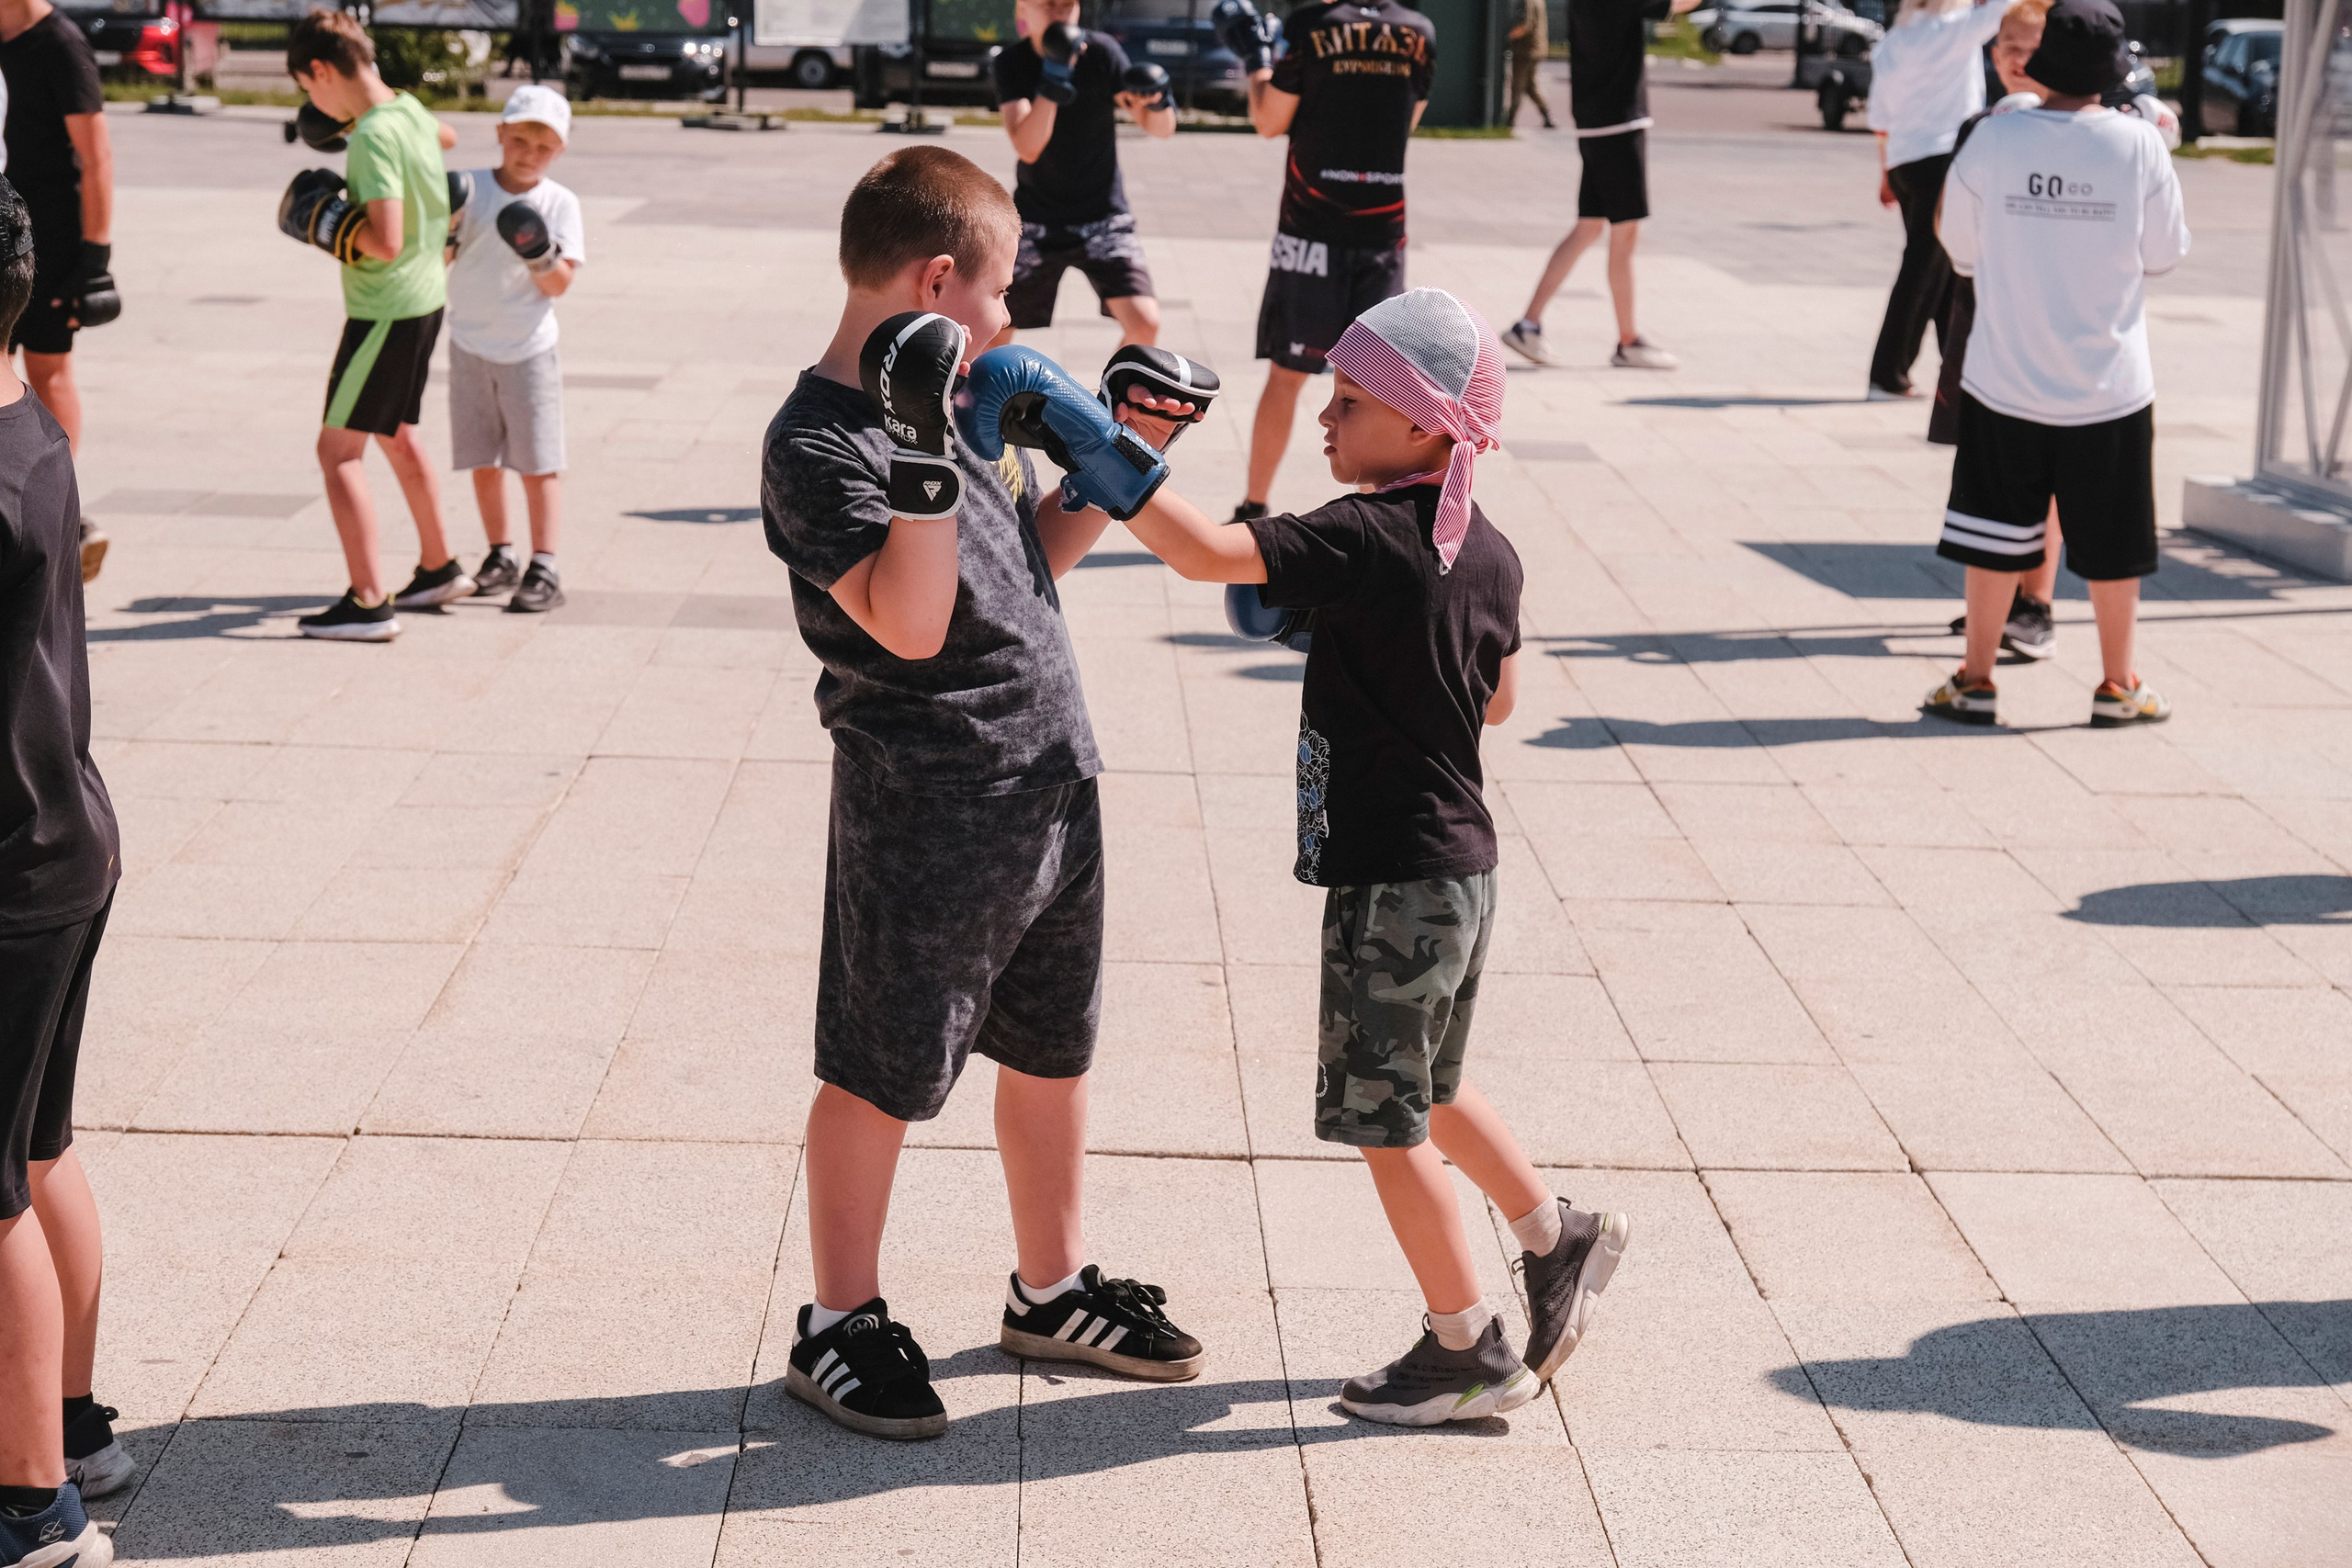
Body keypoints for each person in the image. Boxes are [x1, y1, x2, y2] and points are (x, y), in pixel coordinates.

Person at [1116, 288, 1634, 1424]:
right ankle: (1557, 1236)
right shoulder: (1487, 550)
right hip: (1463, 870)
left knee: (1383, 1120)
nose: (1325, 422)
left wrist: (1110, 450)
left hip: (1394, 875)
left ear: (1423, 424)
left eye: (1348, 403)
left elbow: (1206, 554)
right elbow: (1498, 704)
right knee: (1431, 1084)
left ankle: (1465, 1348)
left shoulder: (1360, 535)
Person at [761, 145, 1208, 1441]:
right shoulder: (818, 440)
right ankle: (838, 1317)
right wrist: (914, 448)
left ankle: (1052, 1286)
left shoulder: (956, 402)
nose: (1013, 326)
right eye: (1002, 296)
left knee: (1053, 1048)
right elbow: (909, 622)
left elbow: (1026, 563)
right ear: (939, 279)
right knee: (881, 1066)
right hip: (928, 804)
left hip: (1052, 778)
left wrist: (1115, 464)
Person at [1922, 0, 2186, 728]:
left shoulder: (1994, 139)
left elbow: (1961, 249)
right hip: (2110, 384)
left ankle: (1975, 679)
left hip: (2003, 373)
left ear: (2042, 64)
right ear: (2113, 70)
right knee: (2113, 544)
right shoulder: (2140, 148)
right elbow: (2164, 256)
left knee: (1994, 534)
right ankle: (2118, 684)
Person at [0, 176, 129, 1568]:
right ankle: (75, 1423)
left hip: (11, 860)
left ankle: (34, 1504)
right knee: (38, 1145)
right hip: (63, 833)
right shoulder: (31, 424)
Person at [282, 7, 473, 643]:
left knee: (337, 453)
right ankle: (439, 565)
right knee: (396, 433)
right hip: (426, 295)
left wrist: (327, 223)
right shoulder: (409, 112)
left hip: (383, 307)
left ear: (319, 71)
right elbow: (445, 138)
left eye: (307, 88)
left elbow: (385, 240)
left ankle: (368, 601)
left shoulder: (370, 136)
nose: (312, 101)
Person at [1215, 0, 1435, 525]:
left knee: (1288, 374)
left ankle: (1253, 508)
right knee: (1383, 386)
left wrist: (1257, 60)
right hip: (1383, 232)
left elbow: (1269, 121)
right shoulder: (1420, 32)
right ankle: (1377, 512)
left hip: (1312, 229)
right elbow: (1408, 123)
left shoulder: (1314, 25)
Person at [446, 85, 582, 615]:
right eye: (519, 138)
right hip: (468, 344)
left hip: (528, 349)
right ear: (500, 133)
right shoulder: (469, 189)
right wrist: (448, 229)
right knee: (482, 457)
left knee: (538, 462)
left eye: (543, 146)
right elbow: (439, 263)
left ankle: (544, 563)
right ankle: (500, 555)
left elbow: (560, 285)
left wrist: (539, 251)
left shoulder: (559, 202)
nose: (529, 152)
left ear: (560, 151)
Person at [1500, 0, 1697, 370]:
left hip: (1595, 118)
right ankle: (1628, 341)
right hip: (1619, 122)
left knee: (1589, 228)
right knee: (1625, 233)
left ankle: (1529, 325)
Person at [0, 0, 116, 584]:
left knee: (49, 371)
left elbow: (96, 158)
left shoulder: (61, 44)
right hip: (4, 228)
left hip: (50, 239)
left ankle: (58, 511)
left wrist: (96, 257)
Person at [992, 0, 1176, 348]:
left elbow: (1159, 128)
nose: (1059, 13)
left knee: (1146, 324)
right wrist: (1054, 76)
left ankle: (1110, 400)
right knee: (994, 329)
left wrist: (1158, 101)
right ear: (1022, 10)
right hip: (1036, 220)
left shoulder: (1101, 52)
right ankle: (990, 401)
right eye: (1047, 5)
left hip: (1103, 216)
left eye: (1067, 5)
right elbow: (1028, 146)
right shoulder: (1012, 62)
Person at [1863, 0, 2005, 401]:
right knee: (1924, 271)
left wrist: (1885, 174)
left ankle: (1956, 373)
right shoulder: (1955, 29)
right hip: (1941, 162)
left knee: (1942, 271)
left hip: (1904, 162)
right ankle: (1887, 375)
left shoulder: (1895, 40)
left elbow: (1881, 115)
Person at [1508, 0, 1556, 130]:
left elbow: (1525, 25)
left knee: (1517, 85)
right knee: (1531, 85)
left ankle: (1509, 119)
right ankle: (1547, 116)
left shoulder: (1526, 1)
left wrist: (1507, 38)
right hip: (1536, 48)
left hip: (1526, 50)